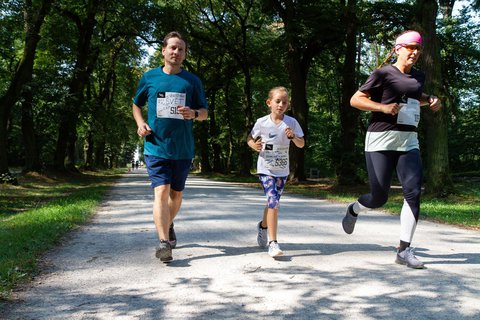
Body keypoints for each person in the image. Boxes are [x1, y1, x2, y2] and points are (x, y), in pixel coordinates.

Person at [341, 30, 441, 269]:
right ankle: (354, 208)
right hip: (380, 139)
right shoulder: (383, 73)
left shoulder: (419, 77)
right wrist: (382, 108)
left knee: (413, 192)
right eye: (410, 47)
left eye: (418, 48)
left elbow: (412, 95)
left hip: (408, 141)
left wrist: (431, 100)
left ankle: (404, 250)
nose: (414, 52)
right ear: (398, 49)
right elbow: (356, 99)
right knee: (379, 197)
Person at [132, 31, 208, 262]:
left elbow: (204, 113)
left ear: (184, 54)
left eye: (181, 49)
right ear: (163, 50)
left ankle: (168, 221)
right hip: (155, 145)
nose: (176, 52)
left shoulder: (192, 81)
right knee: (161, 192)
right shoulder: (149, 78)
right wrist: (140, 123)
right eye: (172, 48)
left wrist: (194, 113)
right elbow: (136, 105)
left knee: (176, 194)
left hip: (182, 148)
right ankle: (164, 242)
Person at [247, 86, 305, 258]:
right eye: (277, 101)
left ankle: (263, 226)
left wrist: (293, 136)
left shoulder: (292, 123)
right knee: (273, 201)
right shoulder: (262, 122)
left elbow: (301, 144)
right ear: (269, 103)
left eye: (284, 102)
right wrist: (254, 145)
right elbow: (250, 138)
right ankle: (273, 243)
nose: (281, 105)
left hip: (282, 170)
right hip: (265, 168)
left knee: (272, 203)